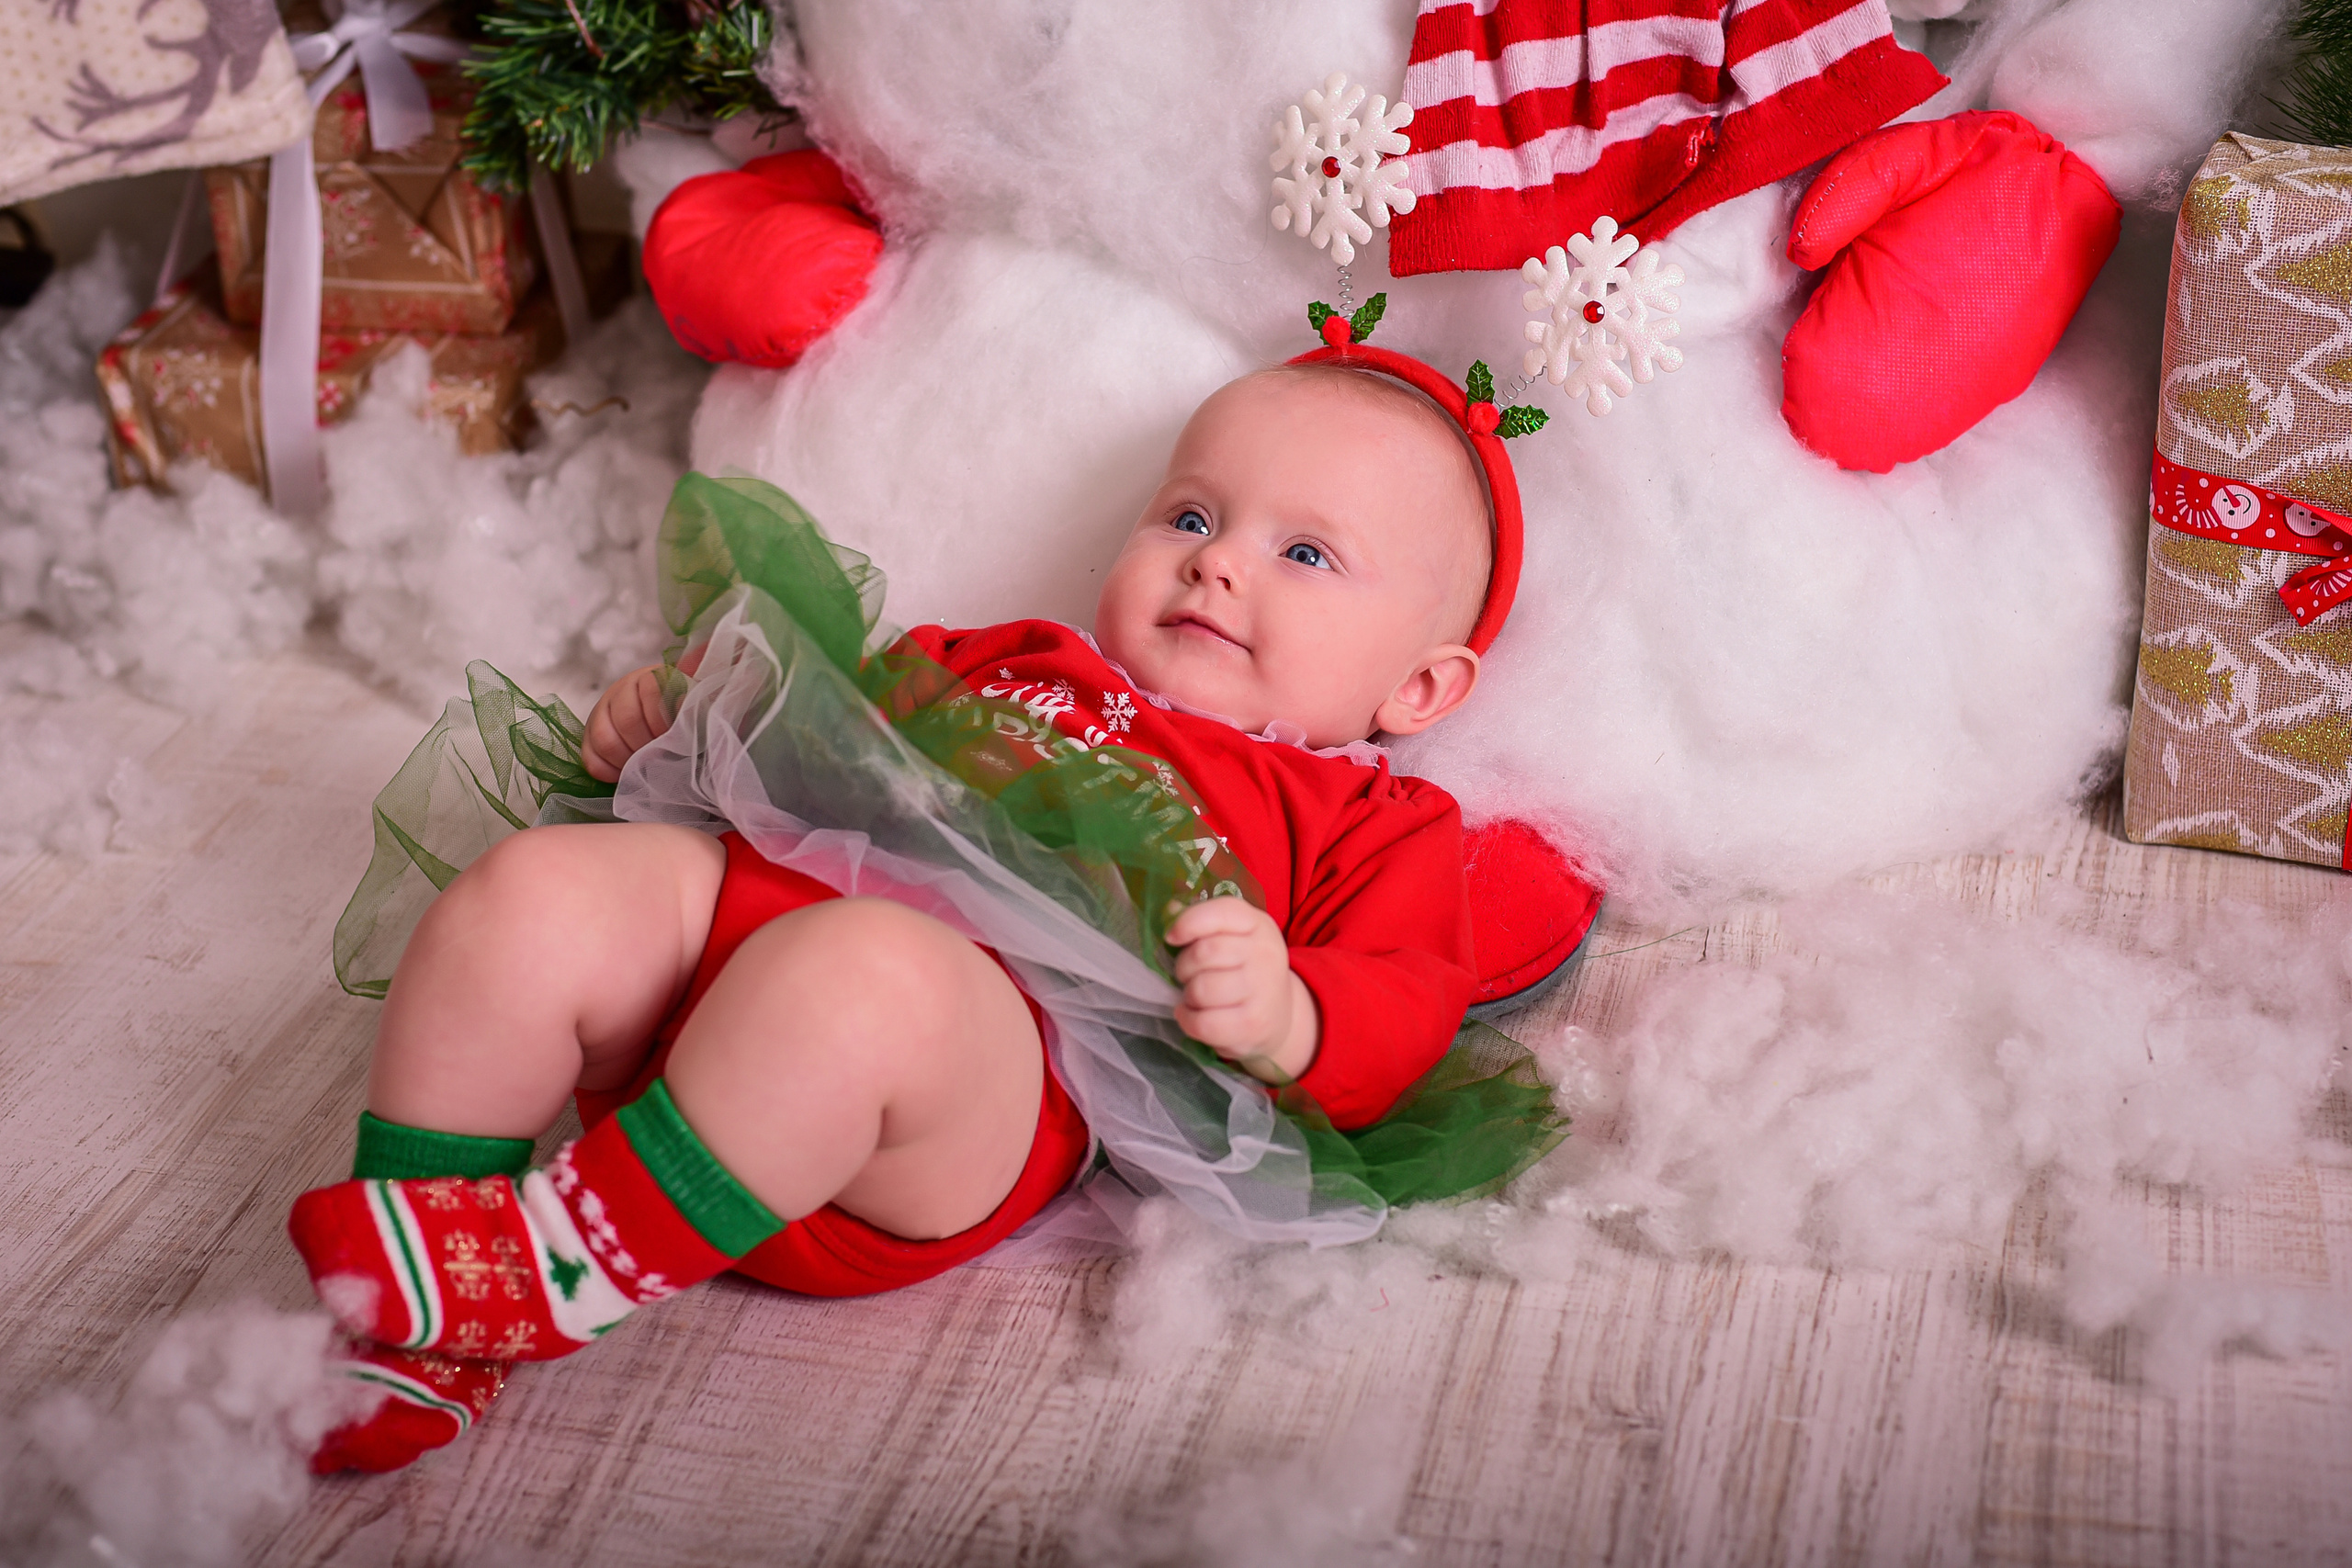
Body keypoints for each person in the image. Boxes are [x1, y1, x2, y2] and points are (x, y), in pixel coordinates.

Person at [288, 343, 1558, 1473]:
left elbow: (1409, 997)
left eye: (1304, 554)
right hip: (704, 986)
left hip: (932, 1114)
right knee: (533, 892)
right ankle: (417, 1269)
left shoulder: (1365, 819)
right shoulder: (1002, 661)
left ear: (1424, 686)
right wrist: (680, 715)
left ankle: (549, 1269)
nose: (1217, 562)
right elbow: (806, 713)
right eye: (1189, 514)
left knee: (866, 970)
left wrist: (1290, 1012)